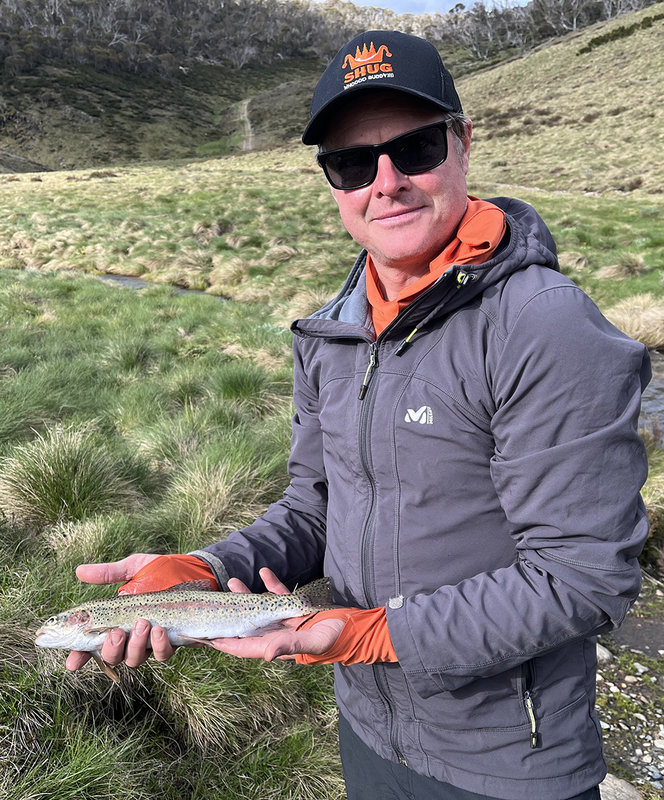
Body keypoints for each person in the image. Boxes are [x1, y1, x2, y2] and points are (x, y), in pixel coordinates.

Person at [66, 30, 651, 800]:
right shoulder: (331, 332)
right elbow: (314, 508)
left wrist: (366, 632)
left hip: (510, 759)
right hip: (368, 729)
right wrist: (205, 573)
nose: (387, 182)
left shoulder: (544, 327)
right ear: (332, 184)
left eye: (414, 149)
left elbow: (583, 579)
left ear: (462, 146)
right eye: (351, 162)